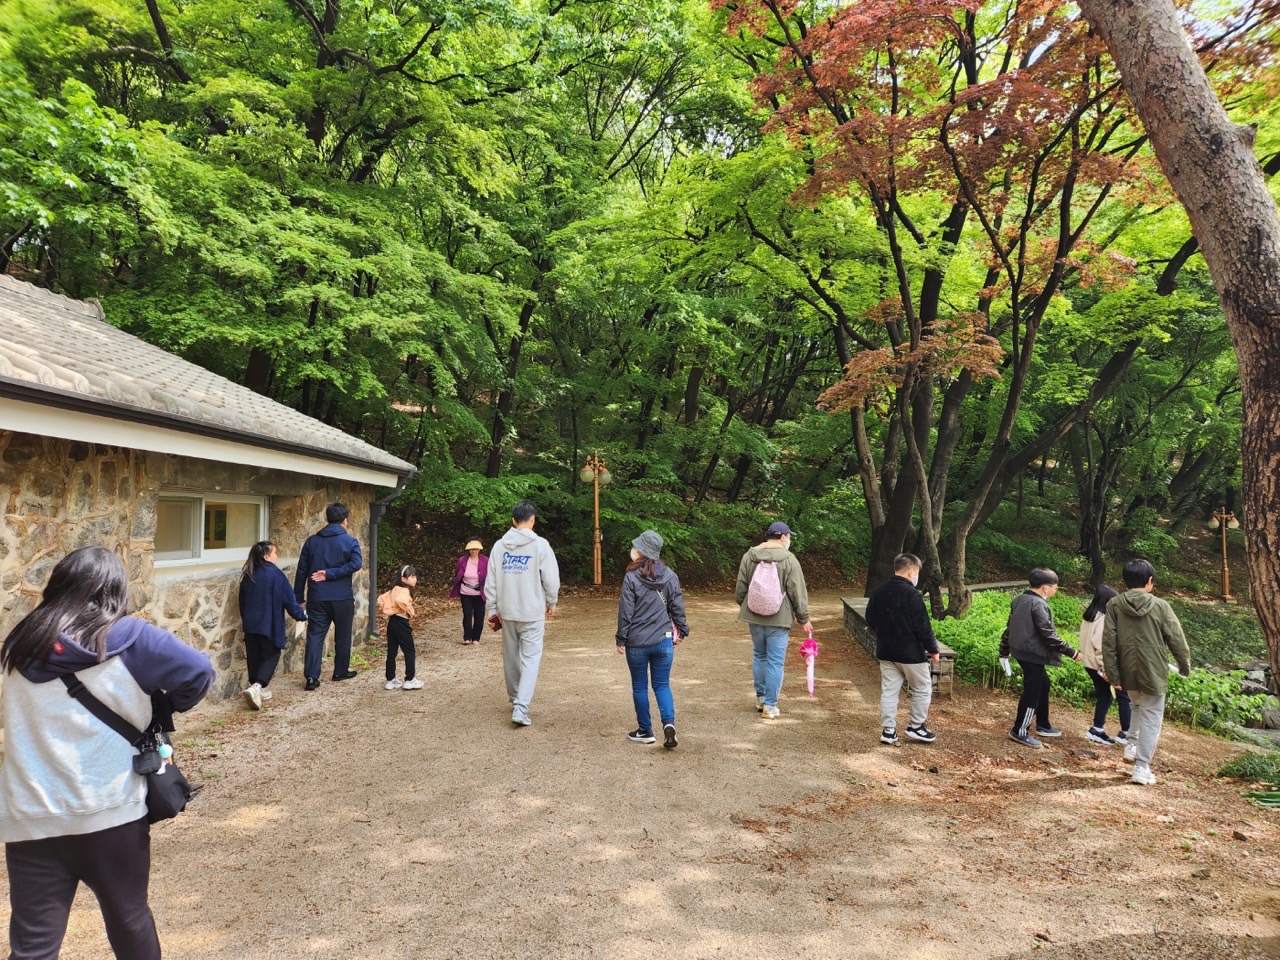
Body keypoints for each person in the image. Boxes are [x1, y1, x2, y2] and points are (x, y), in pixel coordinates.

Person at [0, 546, 214, 960]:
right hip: (110, 810)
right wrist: (164, 706)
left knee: (33, 945)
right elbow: (200, 672)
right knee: (129, 920)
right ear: (114, 589)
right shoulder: (131, 638)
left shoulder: (19, 643)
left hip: (30, 814)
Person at [1103, 559, 1191, 786]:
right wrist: (1184, 666)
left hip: (1126, 668)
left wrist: (1113, 674)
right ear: (1150, 581)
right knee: (1152, 715)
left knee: (1136, 706)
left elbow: (1109, 642)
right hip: (1153, 668)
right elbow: (1176, 639)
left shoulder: (1114, 604)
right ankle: (1142, 767)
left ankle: (1131, 745)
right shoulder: (1161, 606)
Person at [485, 500, 560, 726]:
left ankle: (515, 698)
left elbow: (491, 582)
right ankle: (521, 707)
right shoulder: (541, 545)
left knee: (510, 657)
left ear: (513, 520)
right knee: (530, 659)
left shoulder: (499, 546)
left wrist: (491, 609)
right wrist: (551, 602)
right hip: (532, 611)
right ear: (533, 519)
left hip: (507, 612)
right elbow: (551, 579)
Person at [615, 530, 690, 749]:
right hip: (663, 639)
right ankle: (669, 724)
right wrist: (682, 630)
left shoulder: (631, 577)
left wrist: (621, 638)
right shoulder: (670, 575)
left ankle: (645, 730)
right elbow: (677, 606)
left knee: (640, 686)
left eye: (635, 547)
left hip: (637, 642)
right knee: (662, 684)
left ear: (640, 551)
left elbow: (625, 611)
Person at [734, 521, 812, 720]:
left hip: (754, 615)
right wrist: (803, 618)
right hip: (779, 618)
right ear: (784, 537)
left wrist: (749, 605)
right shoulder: (789, 559)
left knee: (759, 655)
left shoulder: (749, 556)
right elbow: (797, 591)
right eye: (789, 537)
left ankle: (760, 698)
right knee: (775, 662)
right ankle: (770, 705)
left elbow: (740, 588)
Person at [864, 553, 941, 745]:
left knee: (889, 691)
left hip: (885, 651)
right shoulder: (912, 595)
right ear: (911, 571)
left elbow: (870, 619)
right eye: (917, 573)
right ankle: (916, 726)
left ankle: (888, 731)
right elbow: (923, 626)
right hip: (910, 653)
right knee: (922, 688)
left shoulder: (878, 592)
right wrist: (933, 649)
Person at [1000, 568, 1082, 748]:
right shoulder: (1038, 605)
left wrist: (1004, 650)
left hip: (1022, 652)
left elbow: (1009, 628)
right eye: (1055, 587)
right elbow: (1048, 635)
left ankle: (1043, 725)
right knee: (1033, 691)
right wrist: (1073, 652)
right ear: (1045, 588)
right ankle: (1020, 730)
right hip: (1032, 655)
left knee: (1043, 684)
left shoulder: (1019, 599)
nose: (1055, 591)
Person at [294, 502, 363, 690]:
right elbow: (356, 564)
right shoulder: (350, 542)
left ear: (328, 519)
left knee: (315, 636)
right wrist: (331, 573)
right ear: (345, 521)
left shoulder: (312, 542)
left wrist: (298, 598)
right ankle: (340, 671)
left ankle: (311, 677)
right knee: (343, 635)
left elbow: (301, 572)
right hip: (342, 597)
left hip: (317, 597)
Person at [238, 540, 308, 710]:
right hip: (268, 624)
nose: (277, 556)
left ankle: (256, 689)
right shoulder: (276, 575)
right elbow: (289, 601)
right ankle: (257, 687)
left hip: (251, 624)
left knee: (254, 656)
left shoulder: (248, 574)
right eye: (275, 553)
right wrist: (301, 615)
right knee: (271, 655)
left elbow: (242, 601)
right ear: (267, 556)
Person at [1079, 583, 1130, 746]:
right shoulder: (1103, 619)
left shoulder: (1089, 616)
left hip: (1090, 664)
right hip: (1101, 665)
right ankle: (1126, 733)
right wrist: (1108, 669)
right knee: (1124, 695)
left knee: (1105, 696)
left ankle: (1097, 729)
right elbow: (1101, 646)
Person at [378, 565, 422, 691]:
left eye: (415, 576)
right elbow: (401, 601)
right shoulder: (404, 591)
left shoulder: (394, 589)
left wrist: (389, 609)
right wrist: (410, 610)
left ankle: (390, 679)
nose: (414, 579)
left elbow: (381, 599)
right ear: (403, 579)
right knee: (409, 651)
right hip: (402, 622)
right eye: (411, 576)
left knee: (392, 652)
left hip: (392, 623)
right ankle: (410, 679)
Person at [449, 539, 489, 645]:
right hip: (465, 591)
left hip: (479, 592)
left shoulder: (485, 560)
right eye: (471, 549)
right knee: (467, 614)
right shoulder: (462, 560)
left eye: (475, 549)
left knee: (479, 615)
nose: (473, 551)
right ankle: (467, 637)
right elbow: (457, 573)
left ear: (479, 549)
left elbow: (490, 575)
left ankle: (476, 638)